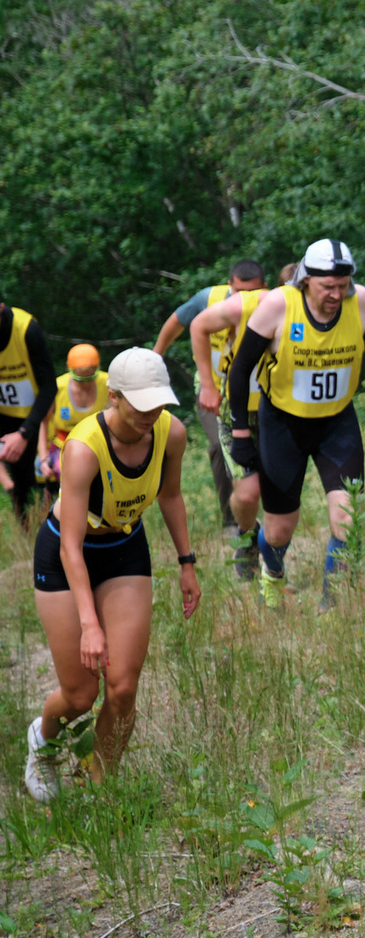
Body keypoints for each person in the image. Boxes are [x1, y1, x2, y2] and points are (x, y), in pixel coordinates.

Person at [23, 350, 199, 799]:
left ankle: (99, 787)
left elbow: (172, 496)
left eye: (158, 402)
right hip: (68, 554)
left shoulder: (170, 433)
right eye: (140, 404)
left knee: (122, 686)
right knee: (81, 694)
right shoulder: (83, 448)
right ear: (114, 397)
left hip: (124, 550)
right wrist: (89, 624)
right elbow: (69, 544)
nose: (151, 413)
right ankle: (43, 744)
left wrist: (186, 563)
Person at [214, 240, 365, 607]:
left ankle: (332, 607)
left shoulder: (362, 302)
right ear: (306, 280)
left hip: (337, 424)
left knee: (348, 521)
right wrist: (241, 431)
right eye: (328, 287)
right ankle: (272, 575)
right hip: (283, 427)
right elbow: (240, 370)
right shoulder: (276, 305)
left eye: (343, 285)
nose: (337, 294)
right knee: (278, 530)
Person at [167, 259, 268, 575]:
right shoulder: (208, 299)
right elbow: (179, 321)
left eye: (252, 292)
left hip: (259, 401)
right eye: (239, 291)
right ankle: (232, 521)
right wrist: (156, 357)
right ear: (230, 284)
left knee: (266, 472)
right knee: (219, 450)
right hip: (215, 397)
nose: (244, 298)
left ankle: (256, 529)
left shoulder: (270, 305)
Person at [0, 295, 60, 531]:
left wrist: (25, 432)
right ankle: (26, 537)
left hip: (31, 418)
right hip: (3, 417)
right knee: (18, 487)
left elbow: (49, 386)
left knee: (34, 481)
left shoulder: (26, 329)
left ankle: (49, 534)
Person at [34, 345, 103, 489]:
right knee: (65, 473)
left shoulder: (108, 384)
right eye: (80, 379)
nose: (86, 384)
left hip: (99, 445)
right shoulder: (58, 388)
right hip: (63, 446)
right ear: (69, 370)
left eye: (91, 378)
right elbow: (44, 422)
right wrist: (44, 458)